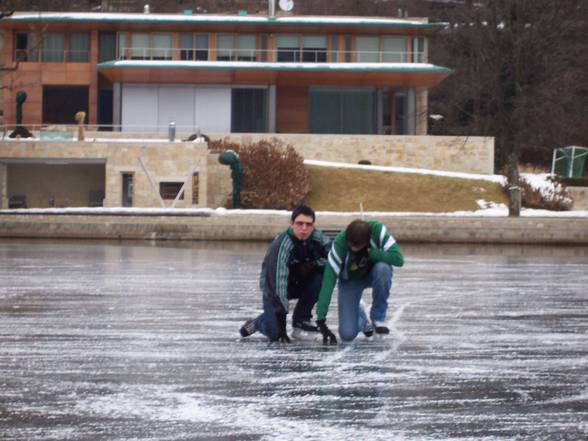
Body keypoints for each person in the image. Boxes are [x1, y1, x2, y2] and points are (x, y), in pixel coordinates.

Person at [240, 205, 330, 342]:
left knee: (321, 277)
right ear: (292, 224)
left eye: (308, 224)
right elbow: (278, 283)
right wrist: (281, 321)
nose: (304, 228)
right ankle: (258, 323)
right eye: (300, 224)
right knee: (275, 333)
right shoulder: (282, 245)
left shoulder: (319, 238)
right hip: (273, 288)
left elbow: (334, 260)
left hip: (298, 283)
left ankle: (301, 320)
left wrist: (314, 264)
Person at [315, 219, 404, 344]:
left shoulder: (378, 231)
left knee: (383, 268)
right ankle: (361, 317)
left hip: (374, 273)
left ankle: (378, 318)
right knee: (347, 334)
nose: (353, 249)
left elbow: (398, 259)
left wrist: (372, 254)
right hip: (350, 281)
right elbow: (327, 283)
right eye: (351, 245)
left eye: (357, 246)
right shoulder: (339, 245)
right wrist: (321, 319)